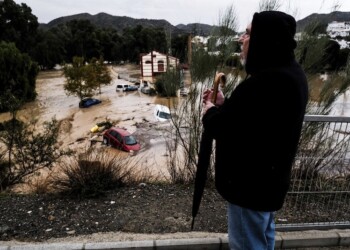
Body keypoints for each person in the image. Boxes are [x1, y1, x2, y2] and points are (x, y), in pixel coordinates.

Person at [201, 11, 309, 250]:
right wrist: (222, 103)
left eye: (248, 33)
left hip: (249, 188)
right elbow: (252, 121)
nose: (241, 39)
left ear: (265, 39)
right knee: (262, 240)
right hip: (268, 186)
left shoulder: (265, 82)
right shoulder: (291, 75)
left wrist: (209, 112)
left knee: (248, 245)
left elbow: (227, 128)